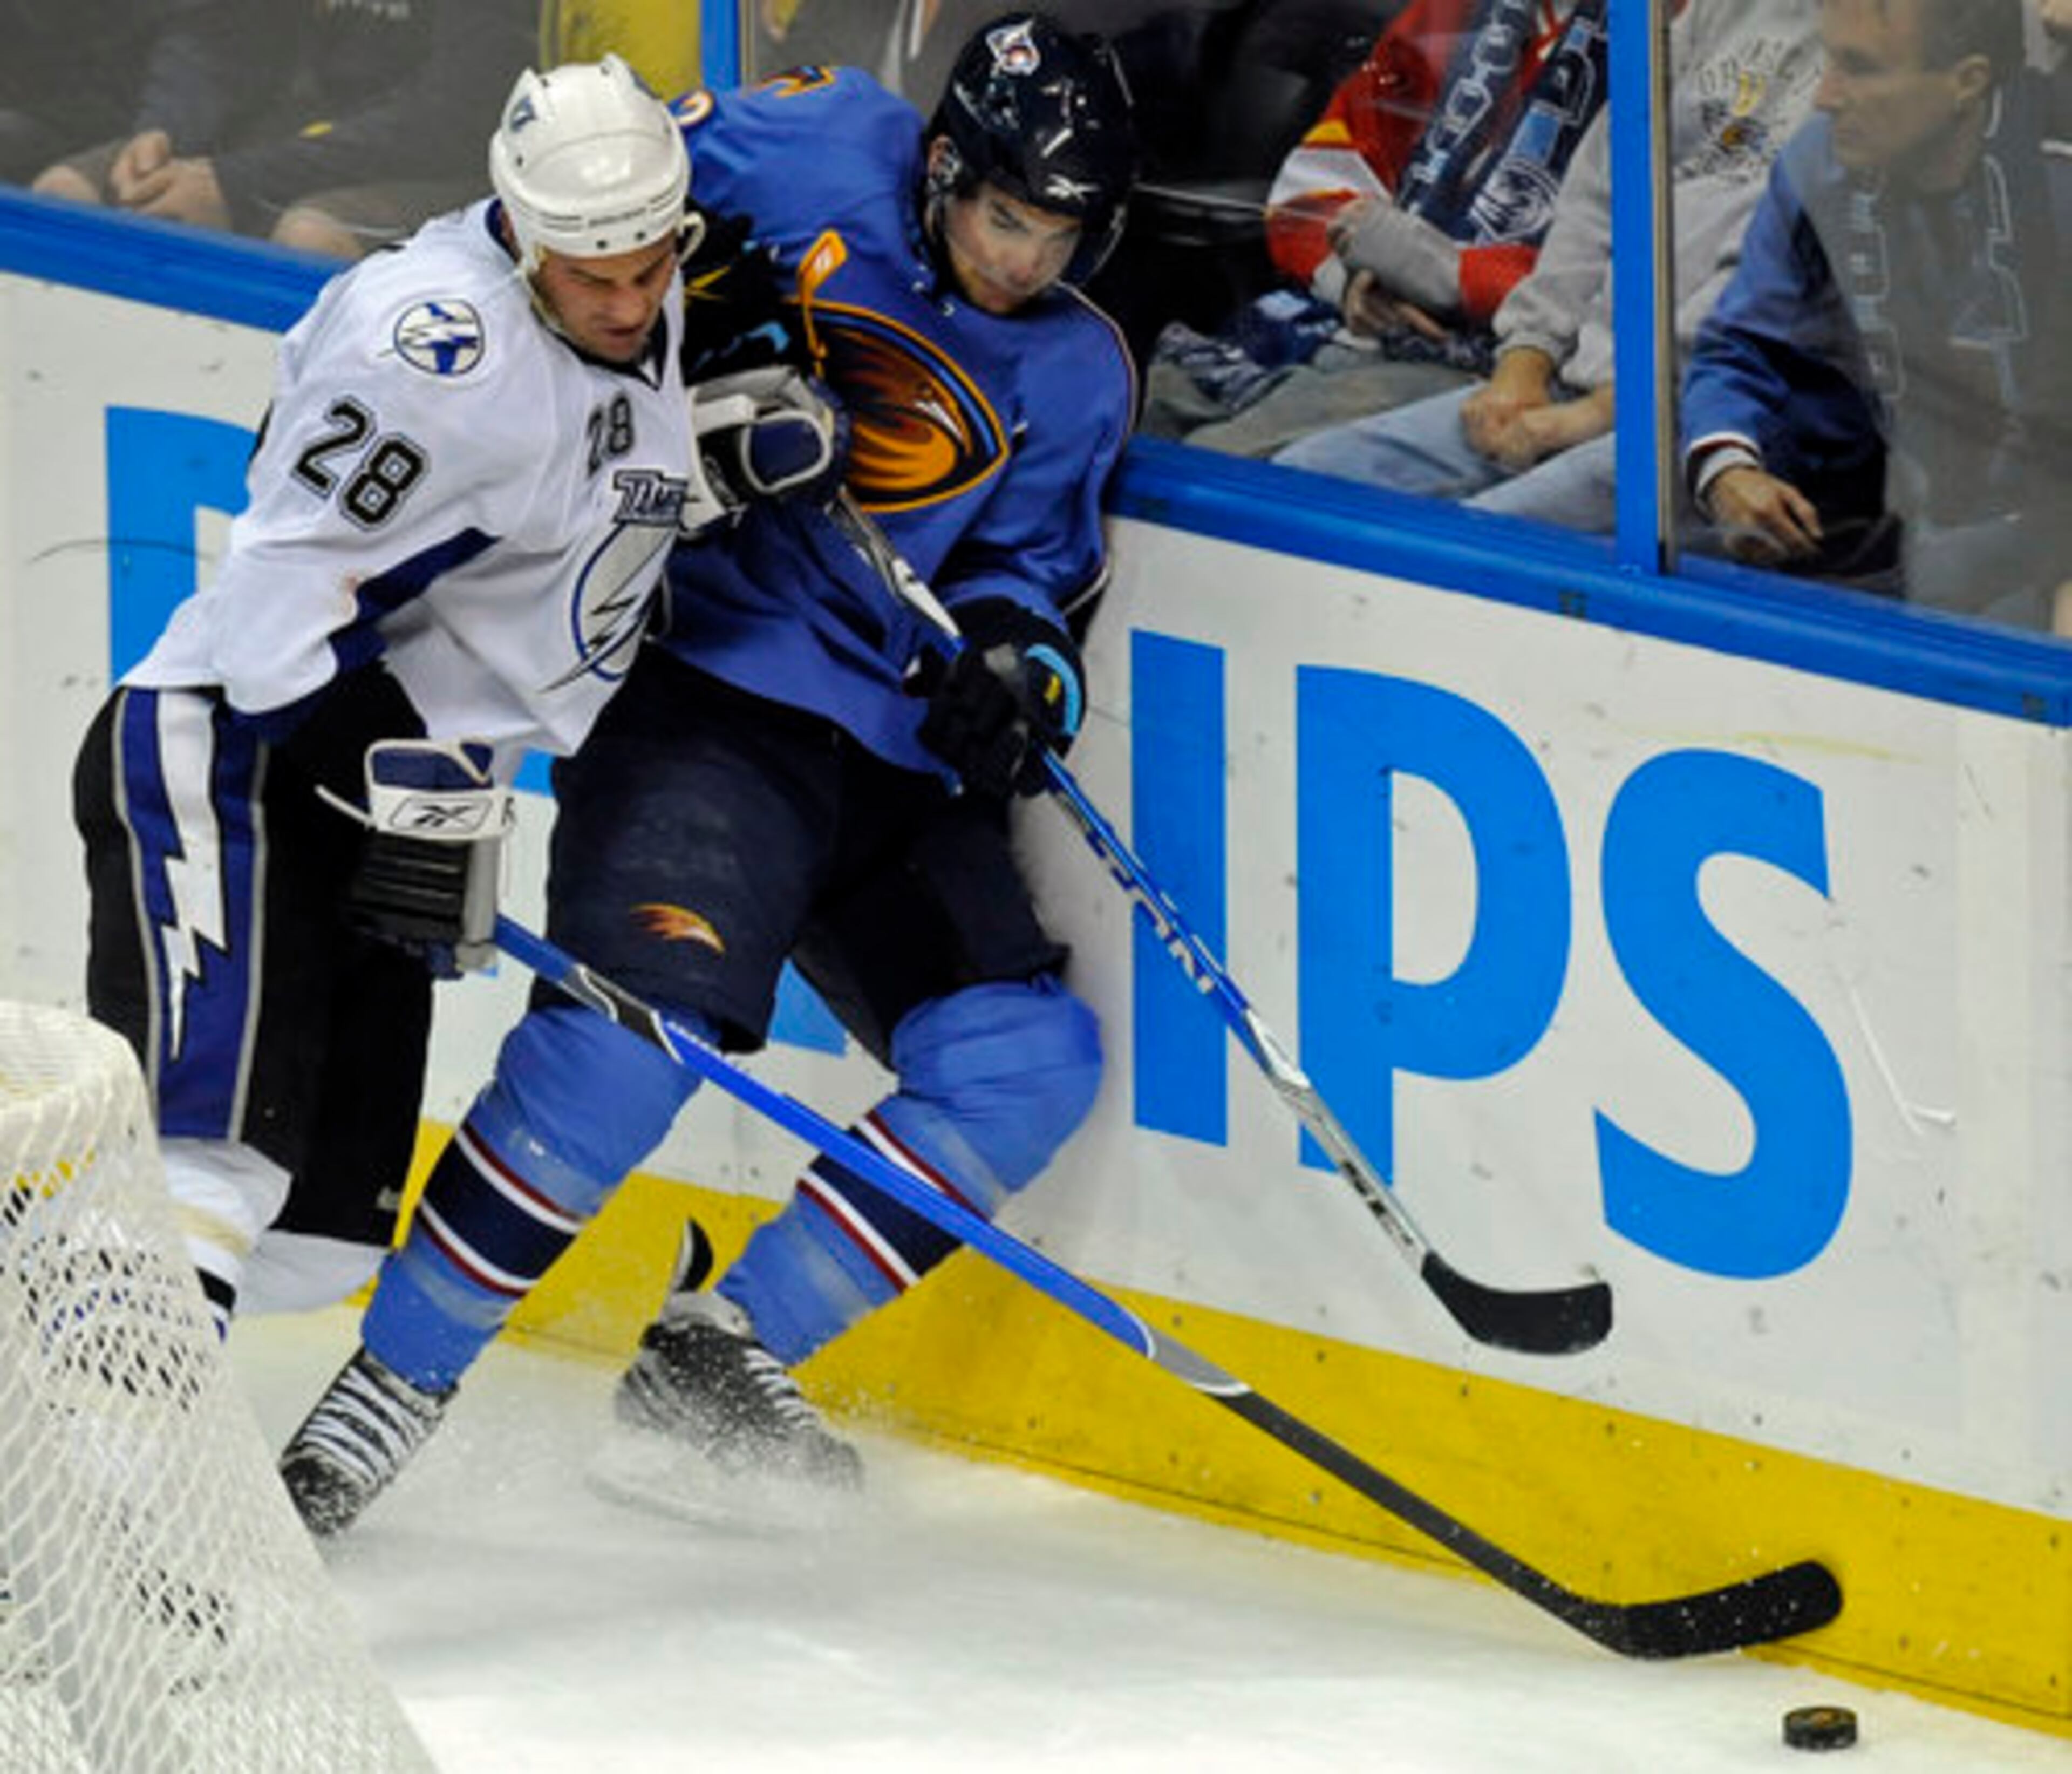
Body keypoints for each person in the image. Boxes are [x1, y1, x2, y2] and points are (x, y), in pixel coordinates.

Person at [276, 10, 1139, 1537]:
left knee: (1026, 1063)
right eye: (1008, 217)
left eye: (1060, 237)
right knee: (626, 1040)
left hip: (886, 757)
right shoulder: (818, 140)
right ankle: (387, 1389)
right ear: (947, 164)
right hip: (706, 697)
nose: (1023, 260)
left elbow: (1031, 571)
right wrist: (708, 336)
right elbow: (576, 230)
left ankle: (717, 1357)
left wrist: (1019, 668)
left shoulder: (1077, 368)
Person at [70, 56, 820, 1349]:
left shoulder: (630, 297)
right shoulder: (433, 351)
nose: (635, 300)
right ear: (522, 236)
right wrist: (390, 768)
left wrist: (692, 465)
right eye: (599, 277)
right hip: (240, 763)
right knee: (201, 1186)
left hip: (376, 791)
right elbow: (268, 618)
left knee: (314, 1238)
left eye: (655, 264)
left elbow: (551, 511)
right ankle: (72, 1505)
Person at [1273, 0, 1822, 532]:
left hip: (1706, 417)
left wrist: (1593, 414)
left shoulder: (1872, 56)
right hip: (1573, 377)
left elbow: (1764, 291)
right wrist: (1525, 363)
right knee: (1302, 479)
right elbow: (1597, 199)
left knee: (1476, 549)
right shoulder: (1718, 13)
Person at [1682, 0, 2072, 631]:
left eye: (1857, 68)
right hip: (1886, 527)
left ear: (1966, 83)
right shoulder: (1817, 162)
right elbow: (1742, 343)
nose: (1824, 97)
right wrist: (1731, 470)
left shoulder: (2058, 170)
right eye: (1829, 59)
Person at [1143, 0, 1612, 457]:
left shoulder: (1658, 41)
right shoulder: (1450, 13)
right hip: (1352, 326)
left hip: (1500, 364)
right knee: (1144, 417)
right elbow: (1315, 187)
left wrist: (1451, 277)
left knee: (1219, 462)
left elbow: (1642, 274)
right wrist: (1354, 278)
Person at [31, 0, 533, 258]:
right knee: (70, 193)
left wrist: (235, 183)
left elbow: (452, 118)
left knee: (311, 235)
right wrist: (163, 131)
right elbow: (218, 38)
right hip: (285, 137)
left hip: (449, 165)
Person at [0, 1, 248, 185]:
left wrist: (157, 134)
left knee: (66, 188)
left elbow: (190, 83)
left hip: (132, 118)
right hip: (46, 103)